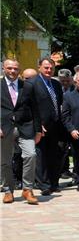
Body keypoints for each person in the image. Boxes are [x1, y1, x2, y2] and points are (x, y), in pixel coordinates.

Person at [1, 58, 38, 204]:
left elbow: (35, 109)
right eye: (9, 68)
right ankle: (8, 190)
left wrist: (38, 130)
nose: (12, 71)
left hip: (26, 126)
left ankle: (27, 189)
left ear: (19, 70)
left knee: (31, 155)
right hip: (4, 128)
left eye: (15, 68)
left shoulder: (27, 86)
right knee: (5, 161)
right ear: (3, 68)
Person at [30, 57, 65, 196]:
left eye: (51, 68)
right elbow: (28, 106)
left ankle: (53, 183)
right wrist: (36, 124)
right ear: (39, 67)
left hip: (55, 125)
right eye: (46, 67)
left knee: (54, 155)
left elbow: (59, 103)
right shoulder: (32, 83)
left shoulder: (56, 84)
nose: (49, 70)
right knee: (41, 156)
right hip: (41, 126)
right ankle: (43, 184)